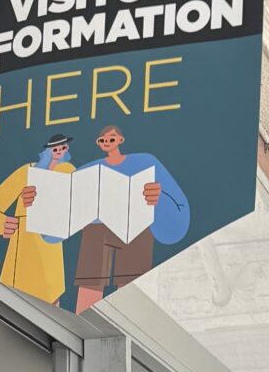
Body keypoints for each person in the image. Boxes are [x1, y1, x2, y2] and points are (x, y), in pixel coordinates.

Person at [70, 120, 190, 311]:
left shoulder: (146, 162)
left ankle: (129, 318)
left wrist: (158, 198)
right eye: (103, 139)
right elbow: (69, 196)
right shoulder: (90, 169)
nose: (107, 142)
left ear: (120, 140)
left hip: (136, 227)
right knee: (90, 281)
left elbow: (176, 202)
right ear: (99, 143)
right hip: (97, 228)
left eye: (111, 138)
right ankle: (84, 317)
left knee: (130, 280)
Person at [0, 138, 73, 305]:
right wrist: (3, 223)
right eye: (54, 148)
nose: (58, 152)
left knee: (51, 310)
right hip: (22, 253)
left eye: (62, 148)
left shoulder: (68, 172)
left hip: (51, 259)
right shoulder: (27, 171)